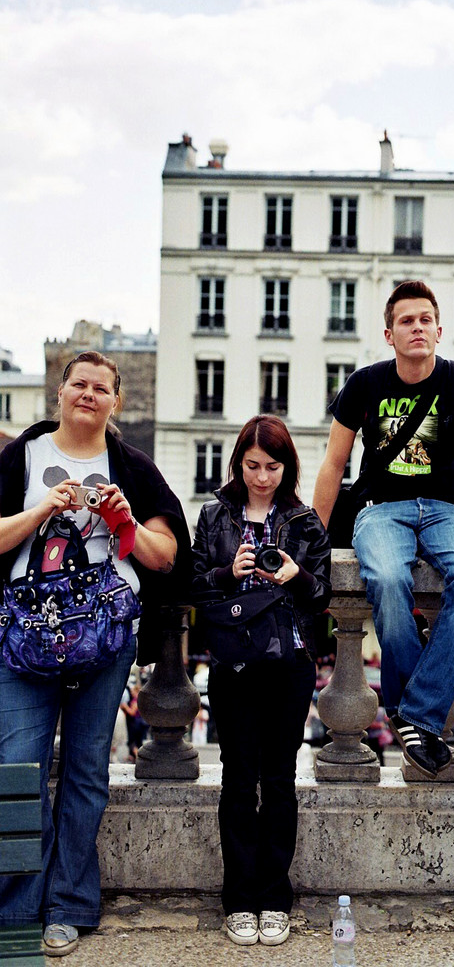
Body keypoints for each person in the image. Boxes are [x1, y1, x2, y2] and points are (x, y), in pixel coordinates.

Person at [0, 350, 191, 957]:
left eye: (100, 388)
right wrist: (40, 512)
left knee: (86, 774)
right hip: (25, 638)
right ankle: (15, 912)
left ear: (116, 402)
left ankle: (69, 906)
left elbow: (166, 556)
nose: (88, 394)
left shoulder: (132, 466)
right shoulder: (23, 457)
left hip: (104, 639)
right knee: (19, 773)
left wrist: (126, 520)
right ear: (59, 392)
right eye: (78, 384)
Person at [313, 280, 454, 778]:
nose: (417, 327)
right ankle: (420, 716)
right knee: (384, 576)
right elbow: (333, 464)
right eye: (407, 320)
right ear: (390, 334)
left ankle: (412, 714)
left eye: (425, 319)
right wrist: (312, 536)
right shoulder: (364, 385)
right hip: (383, 509)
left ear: (439, 329)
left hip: (447, 511)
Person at [192, 415, 331, 947]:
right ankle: (238, 899)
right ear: (238, 464)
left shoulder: (304, 521)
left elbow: (321, 599)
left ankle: (275, 897)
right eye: (252, 466)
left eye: (272, 467)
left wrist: (297, 575)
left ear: (287, 466)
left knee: (277, 780)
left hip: (290, 662)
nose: (262, 478)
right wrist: (231, 572)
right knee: (235, 777)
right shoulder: (214, 516)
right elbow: (195, 586)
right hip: (233, 662)